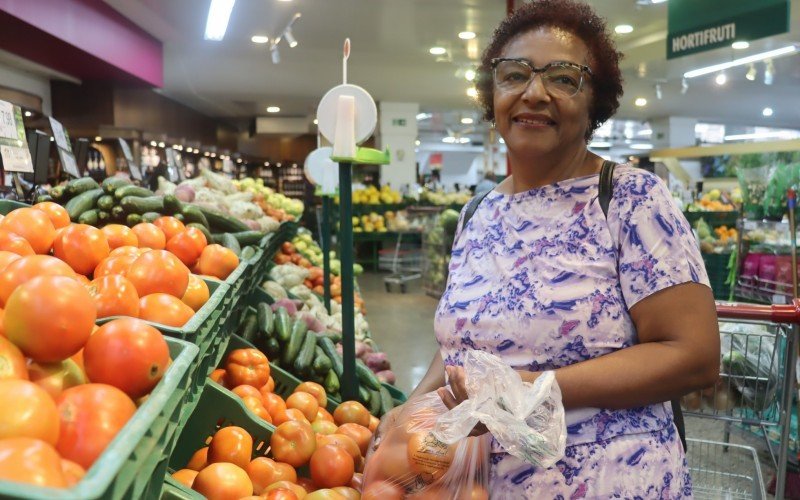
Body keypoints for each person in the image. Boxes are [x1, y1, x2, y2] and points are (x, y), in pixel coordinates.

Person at [373, 1, 719, 497]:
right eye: (514, 75)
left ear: (594, 103)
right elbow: (463, 346)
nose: (534, 93)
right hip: (480, 485)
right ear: (493, 95)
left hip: (611, 481)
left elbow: (693, 355)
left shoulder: (629, 199)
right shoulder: (478, 214)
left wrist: (530, 386)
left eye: (563, 78)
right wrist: (414, 405)